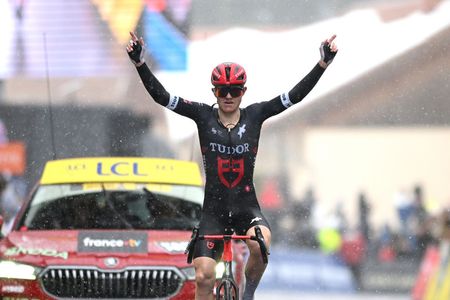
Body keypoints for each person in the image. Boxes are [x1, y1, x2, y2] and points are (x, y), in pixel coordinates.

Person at [127, 31, 338, 300]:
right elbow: (163, 97)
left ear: (243, 92)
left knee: (261, 246)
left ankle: (248, 295)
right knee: (204, 274)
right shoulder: (202, 115)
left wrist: (322, 65)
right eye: (222, 90)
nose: (228, 96)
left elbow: (294, 96)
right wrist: (140, 64)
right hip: (213, 211)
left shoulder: (257, 114)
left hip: (246, 207)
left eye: (234, 90)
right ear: (214, 91)